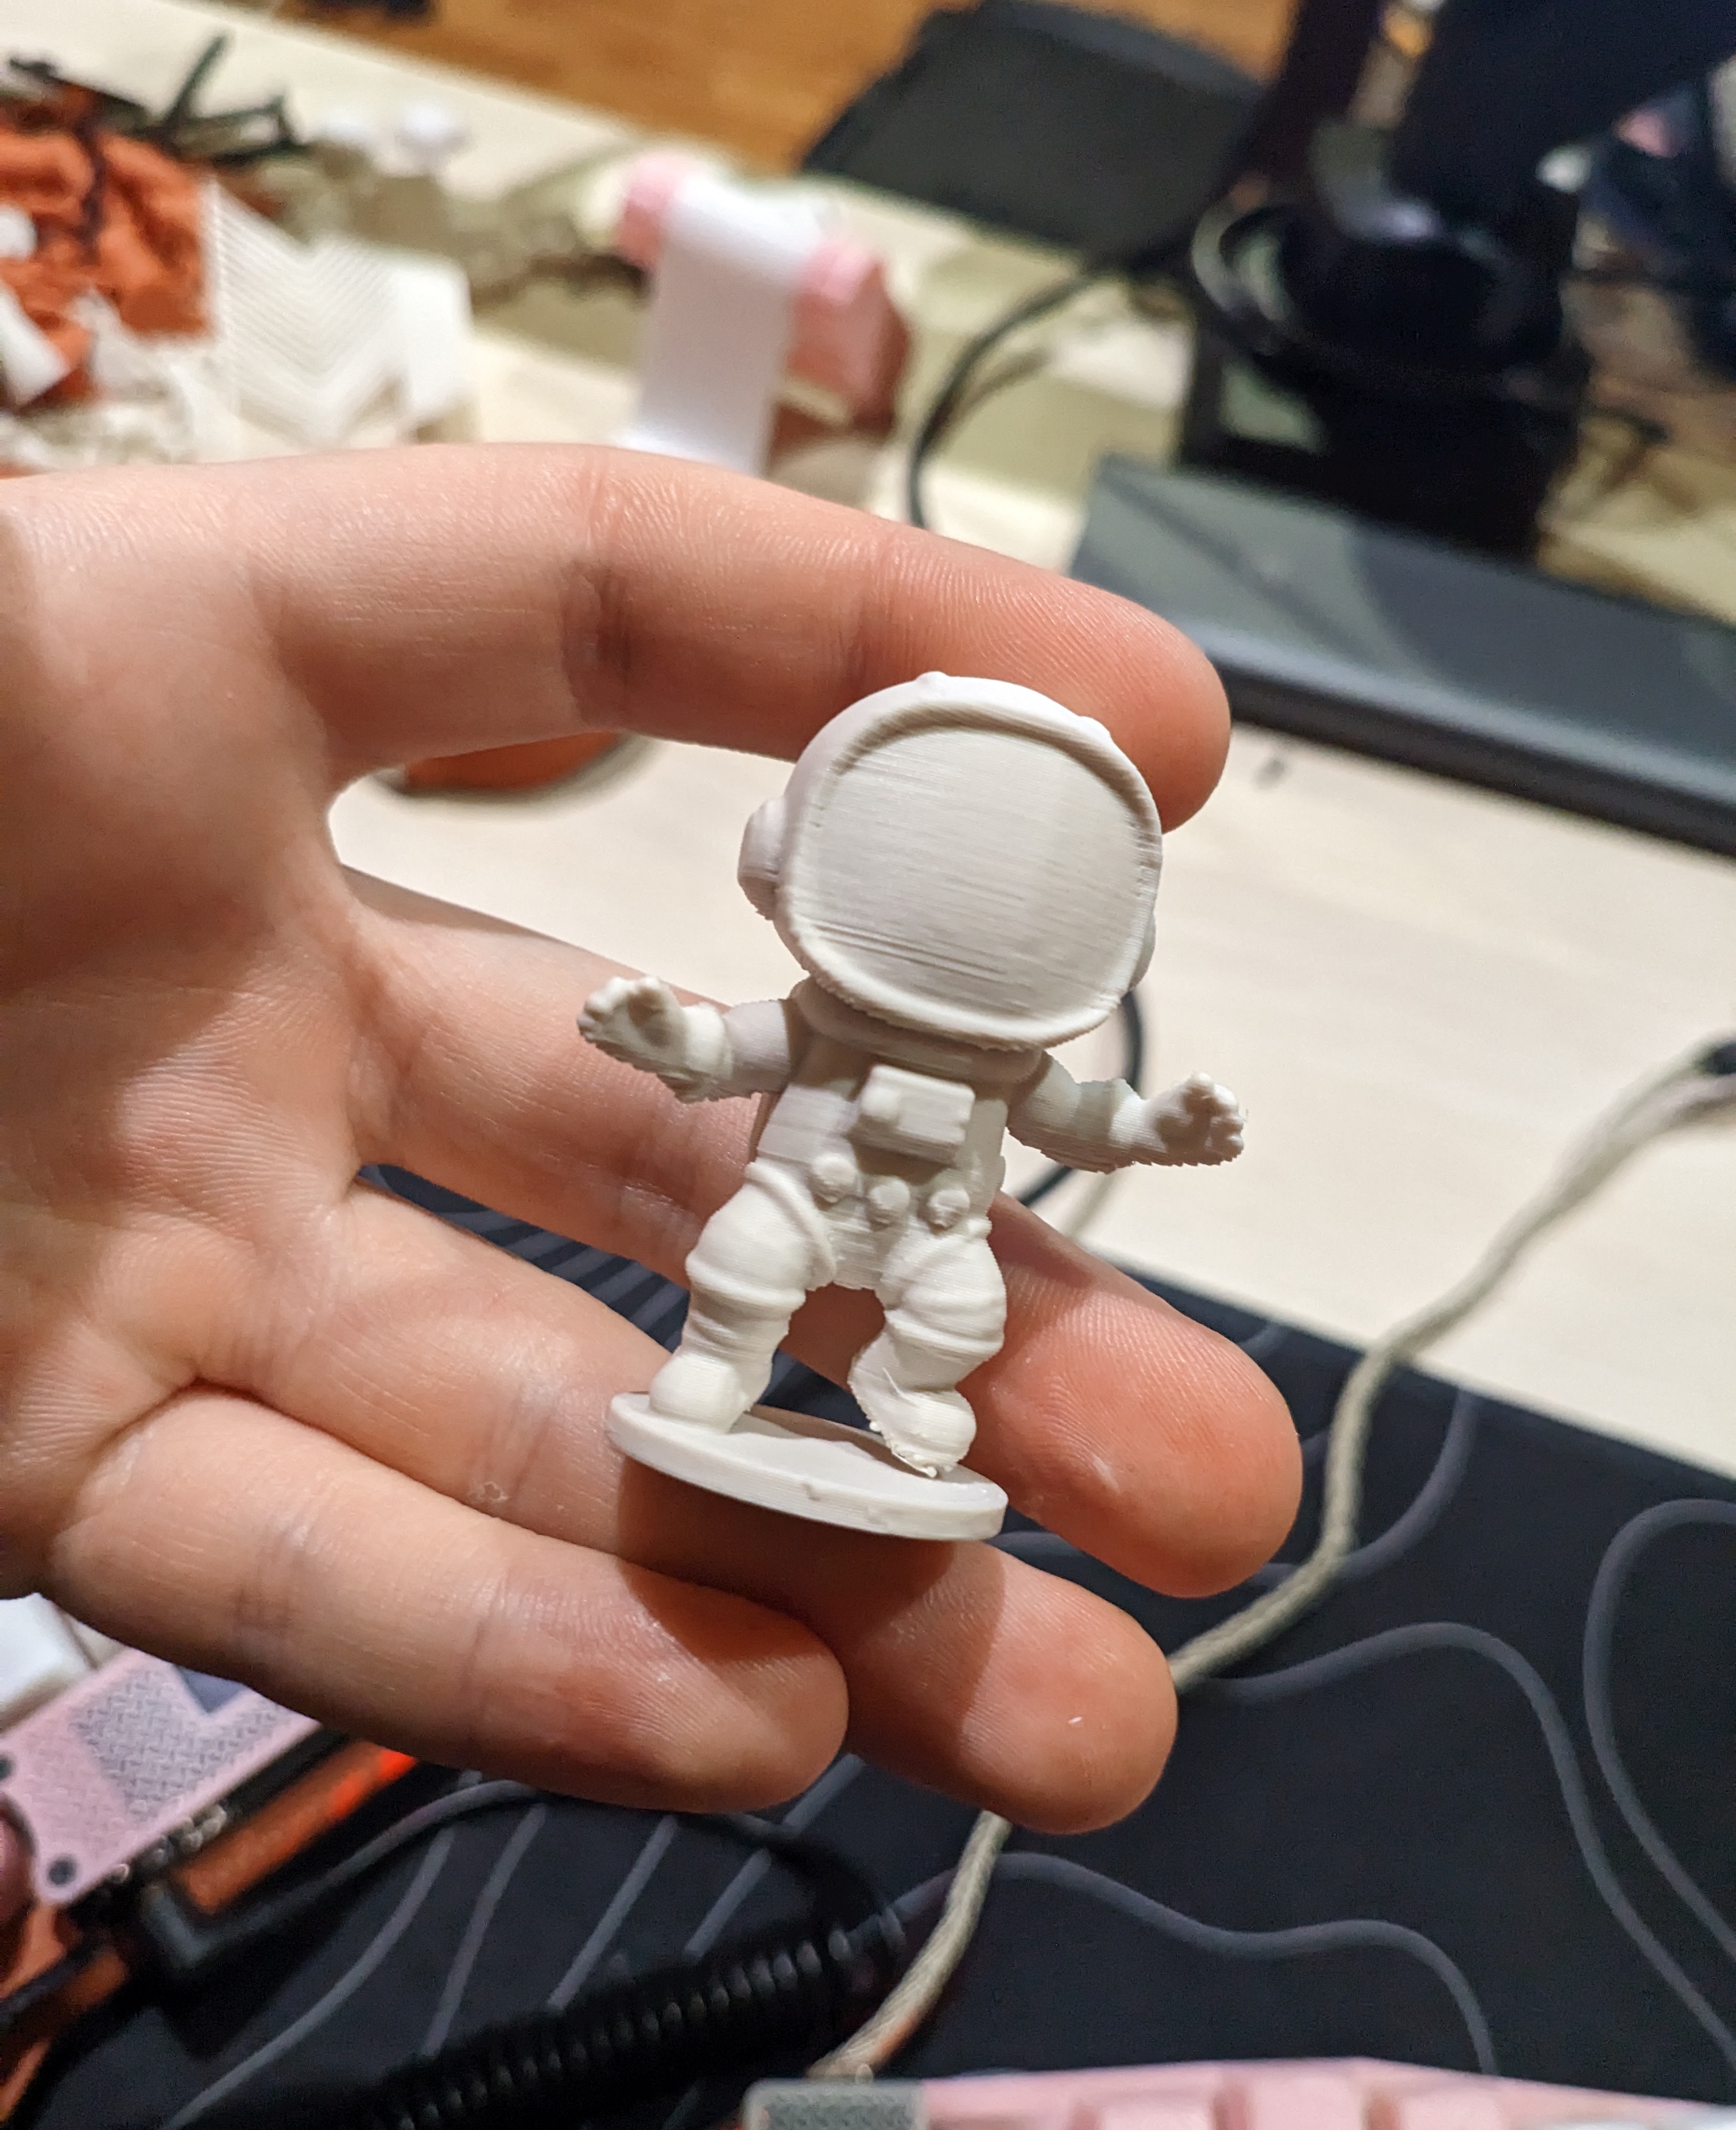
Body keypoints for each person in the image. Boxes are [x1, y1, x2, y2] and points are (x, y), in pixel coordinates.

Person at [0, 443, 1300, 1836]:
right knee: (744, 1268)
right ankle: (718, 1379)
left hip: (930, 1228)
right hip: (803, 1195)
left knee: (960, 1315)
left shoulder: (1007, 1060)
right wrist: (667, 1043)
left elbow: (1071, 1117)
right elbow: (735, 1050)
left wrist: (1152, 1127)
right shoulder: (827, 1013)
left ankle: (912, 1404)